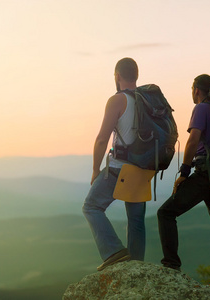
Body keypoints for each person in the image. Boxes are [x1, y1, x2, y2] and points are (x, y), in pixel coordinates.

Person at [157, 74, 210, 289]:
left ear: (196, 89)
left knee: (165, 213)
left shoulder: (201, 109)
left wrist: (184, 171)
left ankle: (171, 264)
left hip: (204, 173)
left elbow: (193, 139)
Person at [82, 57, 146, 271]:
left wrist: (95, 170)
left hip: (120, 168)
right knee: (136, 220)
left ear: (117, 76)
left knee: (91, 207)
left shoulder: (118, 100)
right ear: (136, 75)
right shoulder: (147, 99)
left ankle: (113, 251)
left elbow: (102, 139)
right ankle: (136, 267)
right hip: (144, 168)